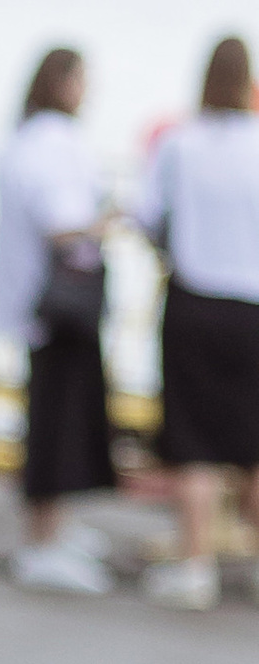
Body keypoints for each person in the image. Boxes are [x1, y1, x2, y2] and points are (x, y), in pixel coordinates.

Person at [137, 35, 259, 611]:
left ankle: (195, 563)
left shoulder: (178, 144)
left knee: (194, 440)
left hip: (194, 300)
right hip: (253, 305)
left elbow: (148, 218)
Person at [0, 47, 116, 594]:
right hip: (59, 309)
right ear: (64, 82)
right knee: (58, 423)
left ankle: (52, 532)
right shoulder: (53, 142)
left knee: (54, 416)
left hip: (39, 306)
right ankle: (42, 541)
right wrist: (109, 220)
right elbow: (63, 224)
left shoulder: (26, 138)